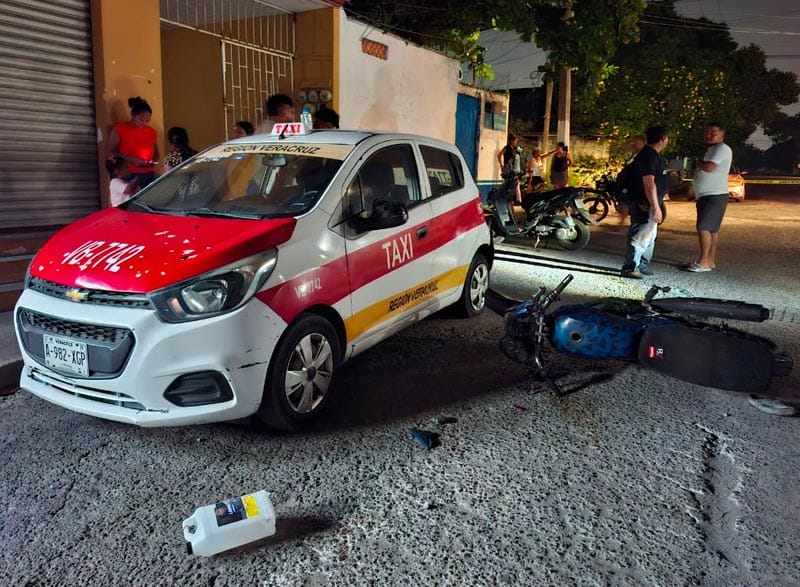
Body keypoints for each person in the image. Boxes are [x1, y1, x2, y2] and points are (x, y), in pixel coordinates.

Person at [620, 126, 669, 279]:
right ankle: (630, 267)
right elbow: (649, 183)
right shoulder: (649, 156)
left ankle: (641, 266)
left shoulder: (650, 155)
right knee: (640, 236)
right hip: (644, 204)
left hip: (648, 202)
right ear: (663, 139)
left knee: (649, 236)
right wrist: (655, 206)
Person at [685, 123, 733, 273]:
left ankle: (703, 262)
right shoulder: (712, 149)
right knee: (712, 229)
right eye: (707, 132)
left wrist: (698, 162)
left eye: (713, 133)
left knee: (703, 227)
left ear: (722, 135)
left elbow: (709, 167)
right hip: (708, 195)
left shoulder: (722, 149)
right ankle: (710, 260)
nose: (709, 135)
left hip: (714, 195)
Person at [106, 96, 158, 188]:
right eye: (141, 120)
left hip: (149, 175)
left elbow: (156, 154)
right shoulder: (120, 129)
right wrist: (131, 159)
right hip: (128, 175)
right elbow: (109, 153)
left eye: (147, 121)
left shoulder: (152, 132)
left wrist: (152, 161)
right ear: (132, 115)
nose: (144, 123)